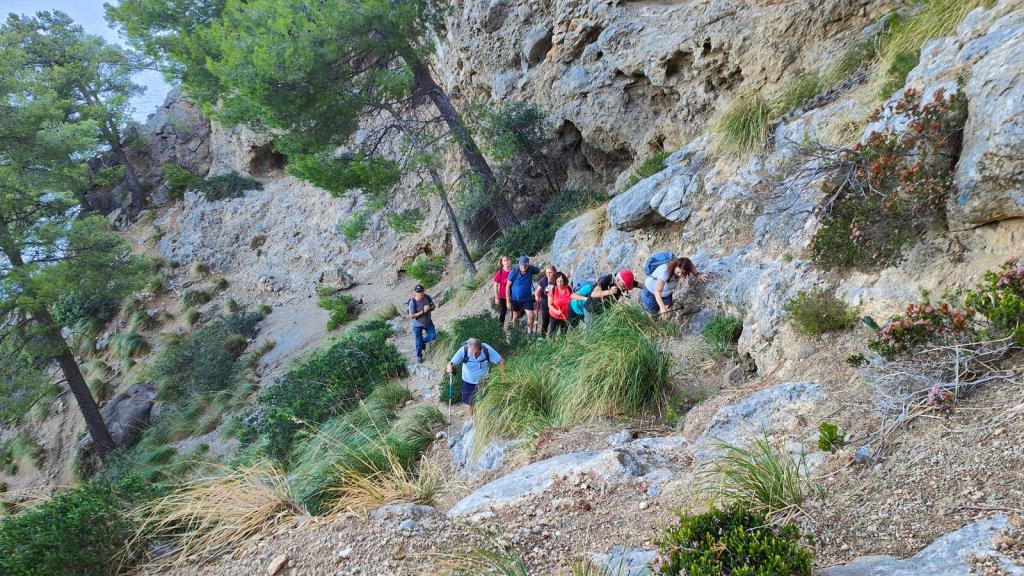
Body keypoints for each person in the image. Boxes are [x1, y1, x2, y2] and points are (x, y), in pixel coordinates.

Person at [446, 337, 506, 415]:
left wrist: (503, 378)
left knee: (482, 401)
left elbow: (501, 361)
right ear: (468, 349)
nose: (474, 356)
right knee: (469, 403)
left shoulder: (486, 350)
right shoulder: (463, 350)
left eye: (476, 353)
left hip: (483, 382)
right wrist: (449, 368)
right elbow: (450, 363)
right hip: (467, 381)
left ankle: (481, 419)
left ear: (480, 349)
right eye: (471, 353)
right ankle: (472, 419)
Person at [642, 256, 708, 315]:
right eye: (678, 272)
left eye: (683, 273)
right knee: (653, 310)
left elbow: (690, 264)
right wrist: (662, 308)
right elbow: (657, 292)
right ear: (675, 266)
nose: (680, 275)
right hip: (650, 290)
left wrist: (697, 275)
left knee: (669, 311)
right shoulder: (664, 272)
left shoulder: (682, 264)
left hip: (665, 293)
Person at [505, 255, 541, 333]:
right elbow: (507, 286)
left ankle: (529, 333)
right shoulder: (514, 271)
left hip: (527, 299)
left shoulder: (531, 269)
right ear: (519, 264)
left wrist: (549, 272)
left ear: (528, 264)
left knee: (531, 316)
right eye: (522, 265)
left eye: (525, 265)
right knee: (515, 316)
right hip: (515, 299)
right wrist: (508, 301)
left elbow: (541, 271)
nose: (524, 267)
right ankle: (515, 332)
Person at [408, 284, 436, 363]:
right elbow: (412, 316)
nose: (420, 293)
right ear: (415, 292)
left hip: (428, 322)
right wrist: (423, 311)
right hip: (417, 325)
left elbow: (434, 306)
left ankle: (423, 341)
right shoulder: (412, 302)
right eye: (418, 292)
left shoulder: (427, 297)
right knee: (418, 341)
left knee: (433, 336)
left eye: (421, 291)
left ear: (424, 291)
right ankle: (419, 356)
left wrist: (429, 308)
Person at [535, 264, 558, 335]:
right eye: (547, 273)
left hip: (555, 303)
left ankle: (552, 338)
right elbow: (537, 291)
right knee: (545, 321)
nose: (548, 274)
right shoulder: (543, 280)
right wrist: (537, 296)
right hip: (545, 303)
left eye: (550, 272)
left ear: (554, 272)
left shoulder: (558, 280)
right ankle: (542, 336)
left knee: (553, 322)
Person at [493, 255, 513, 328]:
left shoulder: (513, 271)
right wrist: (496, 297)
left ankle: (513, 330)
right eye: (504, 260)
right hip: (502, 296)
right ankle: (500, 329)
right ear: (502, 262)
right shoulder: (500, 272)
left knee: (514, 313)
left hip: (513, 296)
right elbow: (495, 285)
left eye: (507, 260)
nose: (507, 262)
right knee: (502, 313)